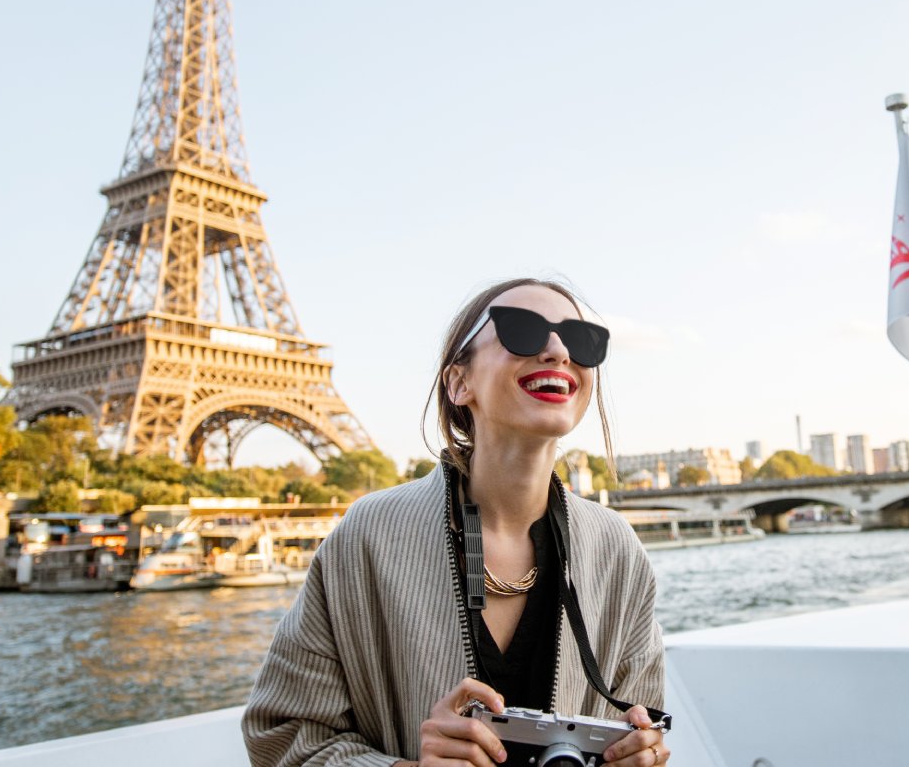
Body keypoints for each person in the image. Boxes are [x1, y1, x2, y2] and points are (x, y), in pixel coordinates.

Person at [244, 278, 670, 767]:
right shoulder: (367, 535)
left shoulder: (618, 548)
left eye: (580, 339)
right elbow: (281, 737)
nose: (557, 349)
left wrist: (640, 754)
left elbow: (646, 723)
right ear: (458, 382)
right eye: (523, 331)